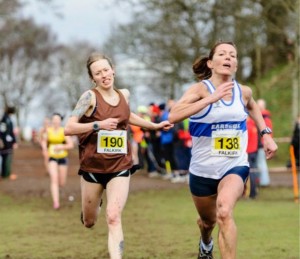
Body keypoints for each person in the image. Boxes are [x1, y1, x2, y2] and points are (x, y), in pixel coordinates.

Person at [168, 41, 277, 259]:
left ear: (236, 65)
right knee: (207, 222)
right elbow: (173, 115)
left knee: (225, 212)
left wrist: (266, 134)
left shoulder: (243, 91)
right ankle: (206, 243)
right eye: (222, 54)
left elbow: (253, 106)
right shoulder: (199, 89)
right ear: (211, 62)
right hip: (203, 170)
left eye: (233, 55)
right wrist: (211, 99)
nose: (228, 57)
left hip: (234, 165)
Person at [64, 52, 173, 259]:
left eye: (106, 70)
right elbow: (68, 128)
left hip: (120, 166)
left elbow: (127, 115)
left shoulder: (125, 94)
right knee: (89, 222)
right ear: (92, 78)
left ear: (113, 70)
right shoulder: (89, 97)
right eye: (98, 73)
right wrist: (98, 125)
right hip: (93, 168)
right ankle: (92, 207)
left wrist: (153, 125)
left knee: (113, 217)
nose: (104, 75)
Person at [41, 113, 74, 210]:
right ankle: (56, 202)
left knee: (62, 182)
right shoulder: (48, 130)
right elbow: (44, 141)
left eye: (57, 119)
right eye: (54, 119)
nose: (56, 121)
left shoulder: (63, 131)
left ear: (60, 121)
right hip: (52, 158)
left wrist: (61, 146)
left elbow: (71, 145)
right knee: (54, 179)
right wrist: (44, 148)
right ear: (52, 121)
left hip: (63, 158)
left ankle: (58, 190)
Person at [256, 99, 273, 186]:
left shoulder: (264, 119)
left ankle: (264, 182)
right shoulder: (265, 118)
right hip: (259, 145)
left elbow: (267, 133)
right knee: (260, 163)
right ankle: (261, 181)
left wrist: (264, 143)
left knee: (261, 163)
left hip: (261, 145)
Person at [0, 106, 18, 180]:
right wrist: (1, 140)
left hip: (8, 142)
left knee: (7, 157)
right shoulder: (4, 119)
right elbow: (2, 131)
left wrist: (14, 141)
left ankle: (6, 173)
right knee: (5, 157)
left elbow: (10, 132)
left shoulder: (8, 118)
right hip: (5, 142)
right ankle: (5, 174)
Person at [246, 117, 259, 199]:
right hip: (254, 151)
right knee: (253, 172)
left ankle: (251, 192)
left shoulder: (247, 126)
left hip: (249, 152)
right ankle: (254, 191)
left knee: (250, 173)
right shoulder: (253, 125)